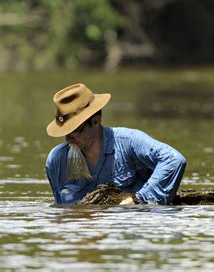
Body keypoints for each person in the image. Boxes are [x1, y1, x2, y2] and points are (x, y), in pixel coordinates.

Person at [45, 83, 186, 205]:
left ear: (95, 122)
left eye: (74, 132)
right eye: (65, 132)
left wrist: (139, 200)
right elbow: (62, 209)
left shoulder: (130, 141)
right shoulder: (56, 161)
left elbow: (174, 160)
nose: (68, 139)